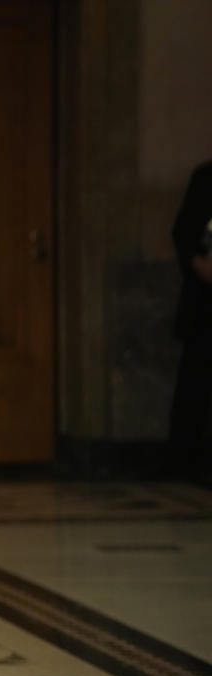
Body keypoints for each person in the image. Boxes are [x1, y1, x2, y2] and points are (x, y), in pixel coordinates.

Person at [166, 160, 212, 481]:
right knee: (196, 382)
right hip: (206, 303)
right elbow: (183, 233)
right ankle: (185, 462)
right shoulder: (207, 177)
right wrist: (201, 265)